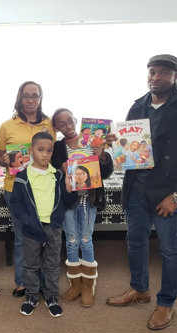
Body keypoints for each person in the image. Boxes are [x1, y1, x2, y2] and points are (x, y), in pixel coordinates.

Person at [106, 54, 177, 330]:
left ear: (175, 76)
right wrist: (114, 144)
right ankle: (139, 290)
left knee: (170, 251)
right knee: (136, 242)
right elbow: (129, 152)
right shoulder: (137, 106)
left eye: (164, 73)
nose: (156, 77)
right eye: (152, 72)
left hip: (167, 193)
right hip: (135, 191)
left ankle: (166, 304)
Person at [0, 81, 55, 298]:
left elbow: (54, 154)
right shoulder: (6, 126)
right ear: (19, 99)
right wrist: (3, 160)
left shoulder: (49, 124)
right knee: (22, 237)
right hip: (16, 189)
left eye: (35, 96)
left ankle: (42, 282)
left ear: (40, 98)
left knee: (43, 236)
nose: (31, 100)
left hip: (44, 189)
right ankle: (22, 282)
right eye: (26, 96)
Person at [51, 108, 114, 308]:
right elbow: (52, 170)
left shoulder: (92, 141)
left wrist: (102, 155)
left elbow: (106, 172)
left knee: (86, 239)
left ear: (76, 120)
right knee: (71, 240)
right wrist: (60, 168)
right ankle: (75, 283)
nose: (67, 126)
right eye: (61, 124)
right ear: (56, 128)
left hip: (89, 199)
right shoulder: (57, 147)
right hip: (69, 200)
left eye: (70, 121)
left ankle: (88, 285)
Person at [10, 132, 77, 317]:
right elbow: (15, 202)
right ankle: (31, 296)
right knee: (31, 265)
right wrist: (26, 220)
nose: (45, 155)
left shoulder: (57, 174)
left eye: (49, 150)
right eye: (40, 150)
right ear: (31, 150)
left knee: (52, 265)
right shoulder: (23, 177)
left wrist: (70, 190)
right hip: (32, 228)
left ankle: (51, 296)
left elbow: (67, 200)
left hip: (54, 227)